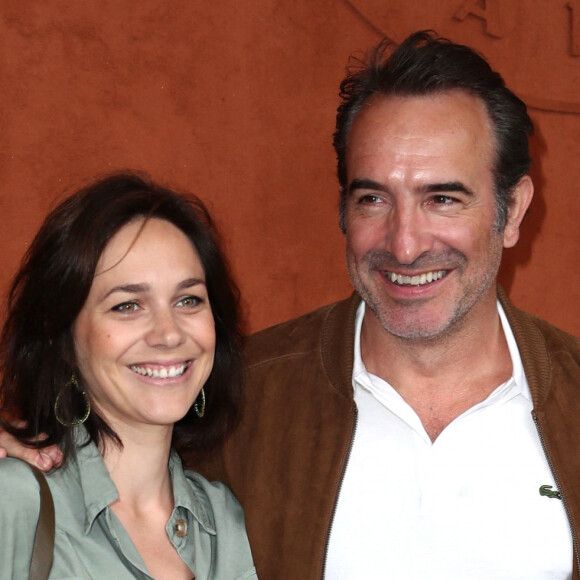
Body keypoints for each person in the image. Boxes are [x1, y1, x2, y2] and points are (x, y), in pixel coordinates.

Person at [3, 31, 580, 578]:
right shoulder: (242, 399)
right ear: (342, 211)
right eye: (373, 198)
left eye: (443, 198)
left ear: (514, 210)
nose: (405, 244)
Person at [0, 173, 257, 579]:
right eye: (127, 306)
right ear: (62, 336)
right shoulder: (13, 501)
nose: (169, 333)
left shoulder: (228, 523)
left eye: (188, 299)